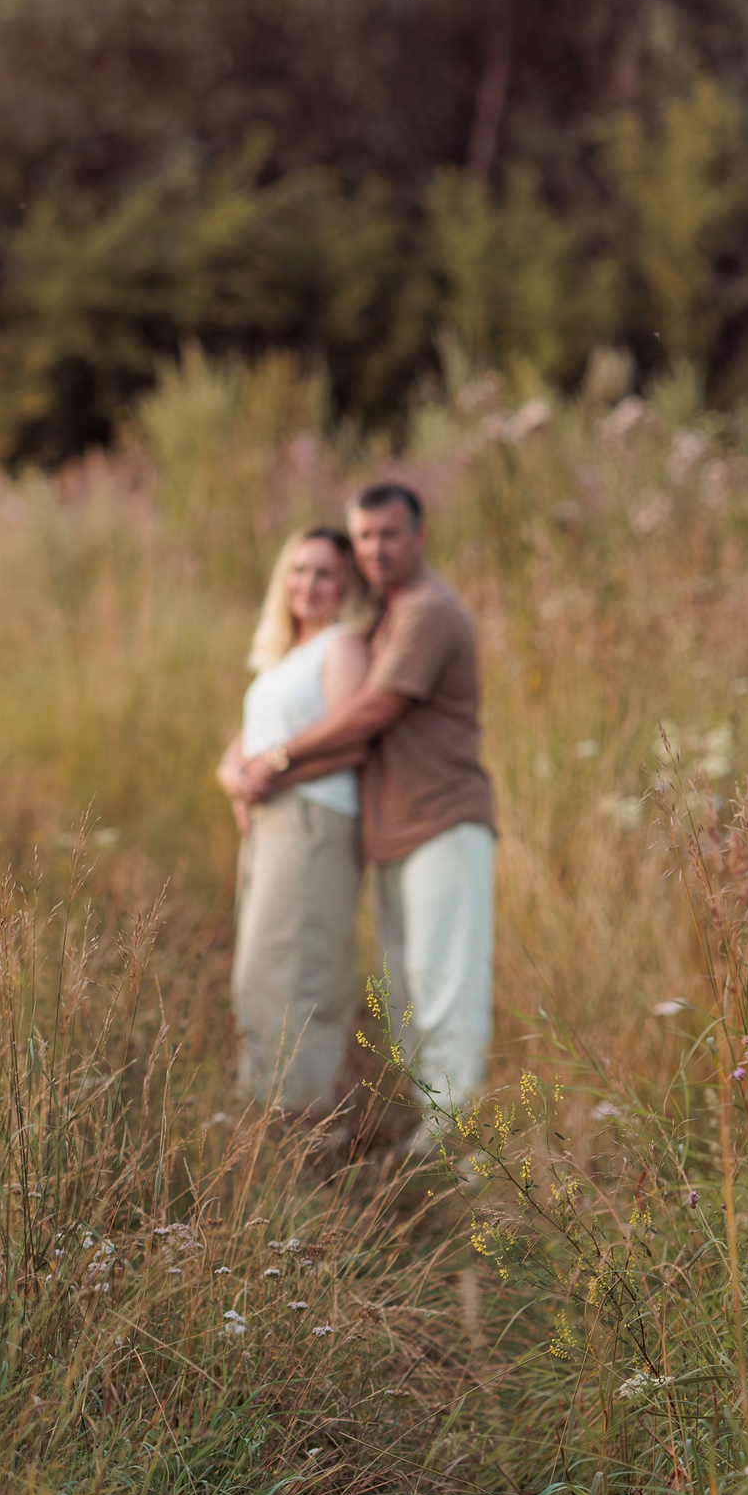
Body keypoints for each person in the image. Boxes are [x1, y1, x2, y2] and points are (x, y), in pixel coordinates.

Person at [232, 482, 495, 1157]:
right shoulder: (387, 618)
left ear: (419, 536)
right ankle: (430, 1131)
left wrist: (280, 757)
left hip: (443, 820)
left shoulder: (428, 610)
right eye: (367, 535)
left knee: (444, 985)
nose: (377, 547)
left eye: (390, 534)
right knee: (409, 987)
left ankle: (451, 1147)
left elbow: (373, 712)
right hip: (395, 832)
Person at [214, 527, 374, 1125]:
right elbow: (242, 749)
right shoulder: (280, 659)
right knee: (258, 968)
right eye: (299, 570)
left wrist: (275, 768)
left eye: (324, 573)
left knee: (299, 968)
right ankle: (266, 1108)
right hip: (270, 825)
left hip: (314, 819)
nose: (309, 584)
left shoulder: (342, 646)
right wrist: (234, 777)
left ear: (344, 585)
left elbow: (354, 738)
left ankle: (307, 1123)